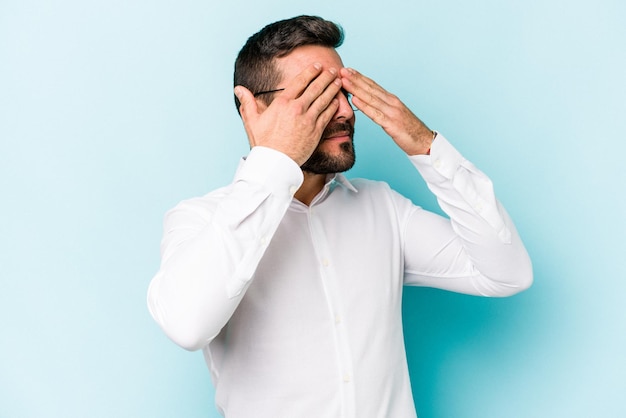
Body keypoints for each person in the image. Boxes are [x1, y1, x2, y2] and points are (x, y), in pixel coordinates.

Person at [147, 15, 533, 418]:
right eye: (316, 95)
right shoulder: (200, 220)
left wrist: (425, 144)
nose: (345, 112)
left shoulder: (382, 207)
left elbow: (507, 272)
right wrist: (274, 163)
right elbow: (186, 325)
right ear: (251, 107)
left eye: (344, 93)